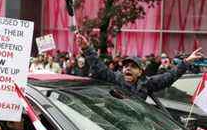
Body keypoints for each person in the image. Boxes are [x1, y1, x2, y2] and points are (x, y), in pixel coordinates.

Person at [76, 34, 204, 100]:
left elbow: (169, 77)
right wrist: (86, 48)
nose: (128, 68)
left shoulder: (147, 83)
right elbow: (98, 67)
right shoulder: (115, 79)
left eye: (133, 66)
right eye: (125, 66)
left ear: (140, 72)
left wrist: (186, 62)